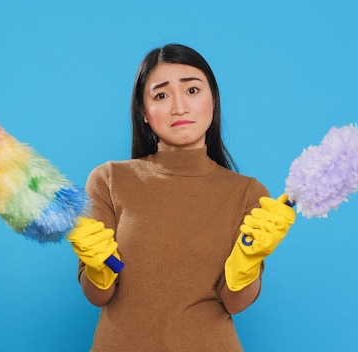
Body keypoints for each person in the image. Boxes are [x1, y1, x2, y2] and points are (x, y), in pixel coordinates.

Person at [67, 44, 295, 351]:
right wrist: (97, 266)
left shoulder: (248, 193)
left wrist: (248, 263)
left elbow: (235, 303)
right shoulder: (109, 180)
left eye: (192, 90)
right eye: (161, 95)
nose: (179, 107)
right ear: (143, 112)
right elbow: (98, 296)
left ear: (213, 100)